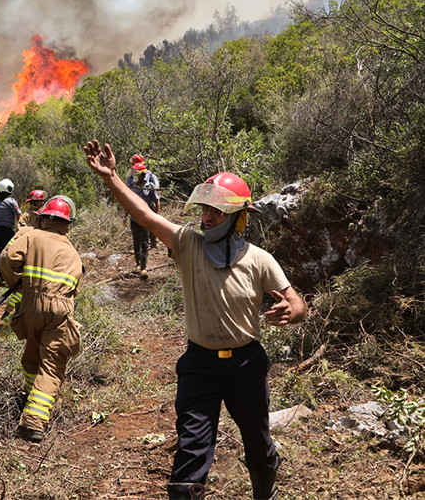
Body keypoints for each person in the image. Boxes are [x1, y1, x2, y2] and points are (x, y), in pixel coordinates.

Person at [83, 140, 305, 500]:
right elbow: (145, 216)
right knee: (190, 458)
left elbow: (297, 304)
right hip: (199, 366)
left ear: (237, 215)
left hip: (247, 366)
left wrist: (291, 312)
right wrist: (111, 178)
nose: (208, 217)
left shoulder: (260, 259)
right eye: (205, 209)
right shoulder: (187, 244)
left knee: (259, 448)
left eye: (217, 211)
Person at [1, 195, 83, 444]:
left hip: (32, 306)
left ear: (44, 218)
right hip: (61, 311)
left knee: (32, 354)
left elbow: (6, 260)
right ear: (67, 224)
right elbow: (74, 290)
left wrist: (20, 286)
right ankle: (33, 423)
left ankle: (29, 397)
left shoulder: (32, 234)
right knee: (52, 366)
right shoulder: (74, 253)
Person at [0, 189, 49, 320]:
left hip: (7, 255)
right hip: (13, 256)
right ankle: (9, 315)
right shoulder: (28, 217)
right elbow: (21, 230)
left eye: (43, 201)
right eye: (40, 201)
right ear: (33, 202)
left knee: (20, 289)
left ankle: (16, 314)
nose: (42, 203)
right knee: (26, 287)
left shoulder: (37, 217)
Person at [125, 162, 160, 278]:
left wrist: (157, 217)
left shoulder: (150, 186)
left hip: (146, 218)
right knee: (136, 242)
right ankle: (138, 264)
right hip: (134, 219)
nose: (134, 176)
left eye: (137, 174)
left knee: (144, 242)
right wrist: (125, 216)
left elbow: (156, 201)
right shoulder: (132, 185)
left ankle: (144, 268)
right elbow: (128, 202)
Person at [0, 178, 21, 287]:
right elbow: (19, 216)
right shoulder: (12, 201)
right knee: (7, 253)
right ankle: (4, 280)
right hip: (8, 230)